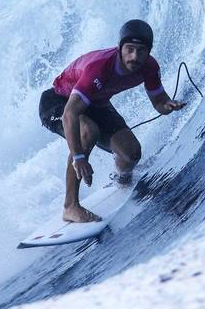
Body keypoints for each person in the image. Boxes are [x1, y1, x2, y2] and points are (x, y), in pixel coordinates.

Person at [38, 19, 186, 223]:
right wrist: (79, 158)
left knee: (131, 153)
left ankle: (122, 179)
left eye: (141, 51)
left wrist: (169, 105)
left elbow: (159, 102)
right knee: (88, 131)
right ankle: (70, 206)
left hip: (95, 104)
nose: (134, 57)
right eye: (130, 49)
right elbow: (70, 114)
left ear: (149, 51)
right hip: (58, 102)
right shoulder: (99, 69)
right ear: (120, 48)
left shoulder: (149, 67)